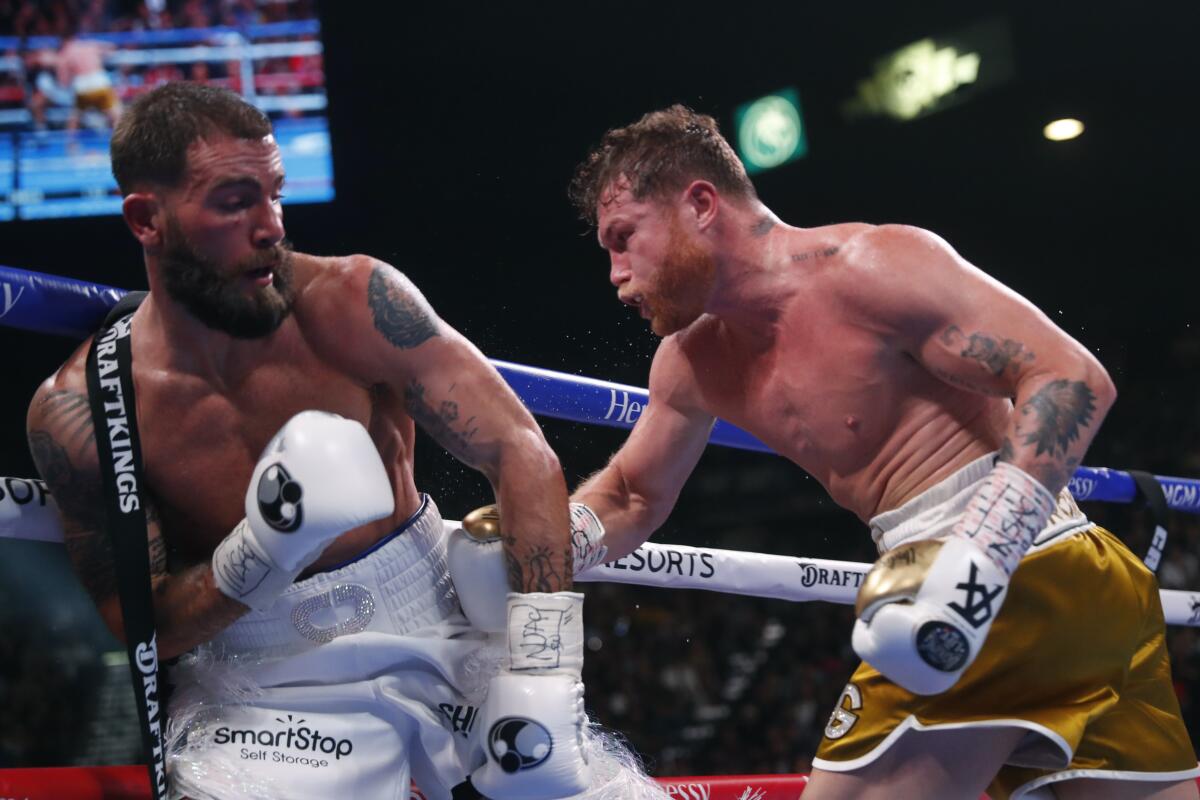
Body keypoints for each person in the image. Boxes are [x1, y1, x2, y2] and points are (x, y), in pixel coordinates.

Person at [566, 105, 1200, 799]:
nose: (614, 272)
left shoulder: (871, 268)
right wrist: (529, 551)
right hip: (1075, 587)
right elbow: (631, 495)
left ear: (700, 203)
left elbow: (1071, 376)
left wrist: (977, 563)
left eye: (624, 238)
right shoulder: (691, 362)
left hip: (1002, 569)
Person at [23, 82, 613, 800]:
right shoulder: (85, 408)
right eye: (236, 201)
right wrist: (262, 552)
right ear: (147, 220)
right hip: (259, 681)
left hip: (440, 630)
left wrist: (545, 671)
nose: (271, 225)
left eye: (275, 194)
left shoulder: (354, 302)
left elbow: (518, 449)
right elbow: (139, 624)